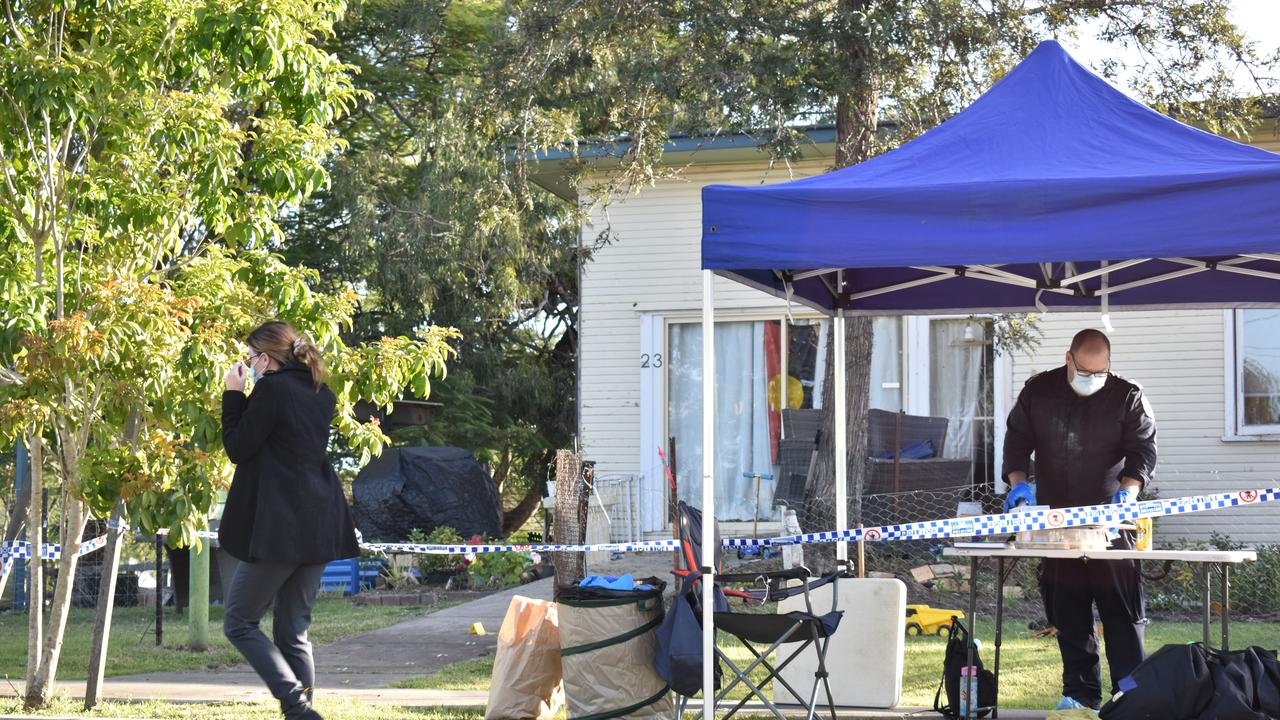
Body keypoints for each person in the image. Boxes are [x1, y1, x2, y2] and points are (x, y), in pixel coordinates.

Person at [1001, 328, 1157, 716]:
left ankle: (1130, 696)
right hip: (1055, 523)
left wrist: (1129, 493)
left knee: (1121, 614)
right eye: (1086, 372)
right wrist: (1019, 485)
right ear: (1069, 359)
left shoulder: (1126, 396)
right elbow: (1016, 440)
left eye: (1101, 373)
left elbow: (1143, 449)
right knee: (1068, 614)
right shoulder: (1039, 392)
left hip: (1111, 522)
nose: (1094, 380)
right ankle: (1080, 695)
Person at [220, 321, 360, 720]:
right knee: (293, 630)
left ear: (265, 359)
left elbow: (238, 447)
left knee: (239, 621)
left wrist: (234, 394)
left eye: (250, 358)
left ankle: (297, 706)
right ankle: (303, 714)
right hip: (320, 521)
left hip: (282, 526)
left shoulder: (272, 389)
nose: (249, 365)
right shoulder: (321, 393)